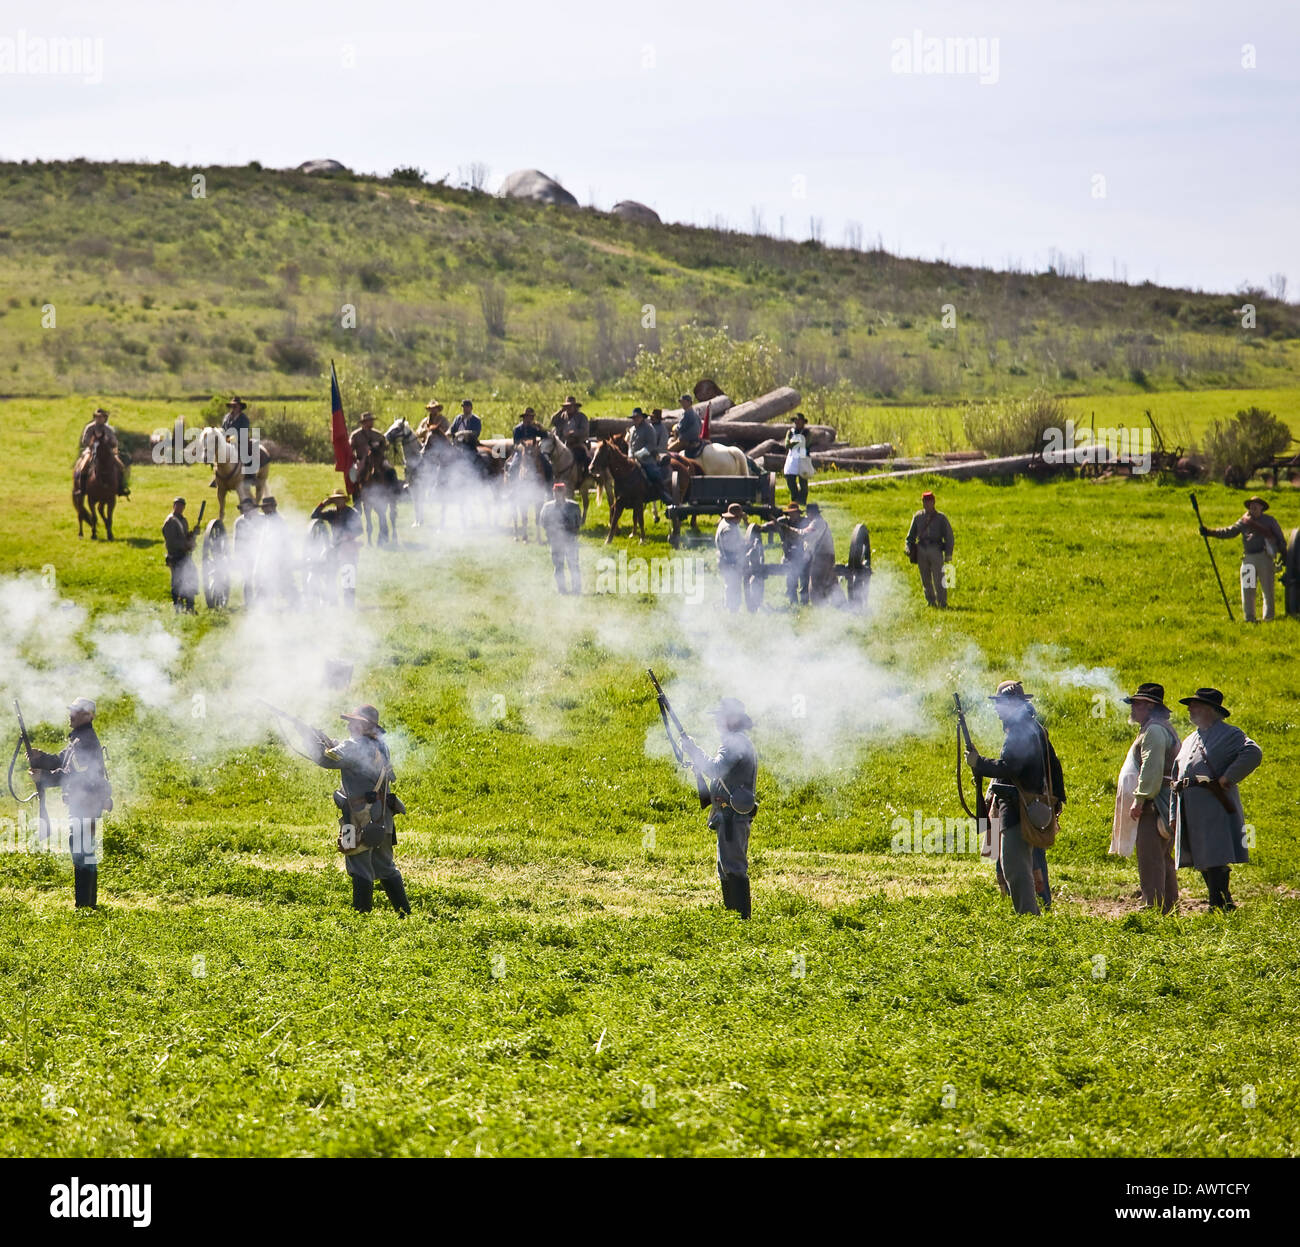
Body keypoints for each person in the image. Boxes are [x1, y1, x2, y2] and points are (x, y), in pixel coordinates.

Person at [967, 681, 1065, 916]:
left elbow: (1011, 767)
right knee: (1021, 865)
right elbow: (1053, 766)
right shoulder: (1032, 727)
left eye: (1000, 704)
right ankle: (1032, 912)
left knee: (1015, 867)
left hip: (1018, 809)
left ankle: (1028, 918)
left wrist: (979, 764)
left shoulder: (1020, 730)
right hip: (1028, 806)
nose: (997, 709)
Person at [311, 704, 410, 916]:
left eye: (353, 722)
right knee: (385, 866)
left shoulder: (354, 745)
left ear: (363, 725)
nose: (349, 726)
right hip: (383, 815)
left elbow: (326, 759)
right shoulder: (380, 745)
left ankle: (361, 921)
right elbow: (348, 756)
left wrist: (312, 742)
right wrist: (332, 744)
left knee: (359, 866)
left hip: (358, 816)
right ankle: (405, 915)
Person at [1171, 688, 1261, 911]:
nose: (1190, 709)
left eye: (1196, 705)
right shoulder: (1190, 738)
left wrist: (1227, 778)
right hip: (1189, 805)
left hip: (1214, 804)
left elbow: (1253, 752)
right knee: (1202, 857)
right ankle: (1224, 902)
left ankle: (1217, 905)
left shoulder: (1230, 734)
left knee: (1215, 854)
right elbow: (1175, 779)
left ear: (1211, 710)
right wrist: (1173, 814)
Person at [27, 697, 112, 910]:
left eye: (75, 711)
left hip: (86, 804)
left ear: (88, 716)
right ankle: (87, 905)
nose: (70, 715)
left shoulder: (84, 742)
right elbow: (60, 761)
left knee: (82, 853)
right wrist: (40, 757)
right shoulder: (78, 740)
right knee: (84, 852)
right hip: (83, 804)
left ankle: (84, 907)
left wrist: (44, 778)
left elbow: (73, 776)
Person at [684, 698, 759, 919]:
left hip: (732, 816)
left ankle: (741, 919)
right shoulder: (737, 742)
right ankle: (732, 918)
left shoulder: (735, 743)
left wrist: (693, 749)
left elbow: (716, 770)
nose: (717, 722)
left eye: (721, 717)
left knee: (733, 867)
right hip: (727, 815)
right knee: (726, 868)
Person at [1110, 682, 1181, 912]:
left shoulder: (1154, 731)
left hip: (1154, 805)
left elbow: (1151, 768)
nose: (1134, 708)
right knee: (1161, 857)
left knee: (1150, 857)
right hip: (1161, 803)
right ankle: (1168, 905)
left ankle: (1153, 906)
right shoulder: (1158, 728)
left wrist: (1140, 799)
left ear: (1150, 707)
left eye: (1138, 704)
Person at [1201, 496, 1288, 622]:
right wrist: (1210, 532)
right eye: (1251, 505)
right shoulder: (1243, 521)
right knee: (1248, 589)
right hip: (1248, 557)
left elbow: (1280, 538)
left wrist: (1284, 554)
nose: (1253, 506)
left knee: (1268, 590)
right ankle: (1249, 618)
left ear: (1262, 507)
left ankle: (1268, 618)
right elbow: (1229, 532)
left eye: (1256, 504)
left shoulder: (1270, 521)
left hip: (1265, 557)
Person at [311, 492, 364, 608]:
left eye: (339, 499)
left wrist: (348, 536)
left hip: (348, 548)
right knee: (330, 576)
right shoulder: (332, 513)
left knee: (348, 577)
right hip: (335, 548)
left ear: (344, 500)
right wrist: (324, 503)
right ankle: (333, 602)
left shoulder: (352, 513)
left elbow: (360, 530)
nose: (337, 501)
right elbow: (314, 515)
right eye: (335, 500)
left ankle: (349, 605)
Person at [905, 491, 954, 608]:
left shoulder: (941, 518)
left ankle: (942, 603)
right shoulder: (918, 517)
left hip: (935, 549)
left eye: (929, 502)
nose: (927, 504)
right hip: (921, 550)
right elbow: (910, 537)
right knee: (925, 578)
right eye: (924, 501)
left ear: (934, 502)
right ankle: (931, 602)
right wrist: (908, 548)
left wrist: (948, 554)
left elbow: (949, 536)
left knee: (939, 578)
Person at [538, 483, 583, 594]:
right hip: (556, 541)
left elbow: (578, 523)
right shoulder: (547, 507)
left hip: (570, 540)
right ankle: (562, 589)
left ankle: (576, 589)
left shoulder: (574, 506)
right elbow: (543, 522)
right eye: (555, 492)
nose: (557, 494)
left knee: (573, 565)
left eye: (559, 492)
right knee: (558, 565)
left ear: (564, 492)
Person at [76, 407, 130, 496]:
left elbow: (114, 441)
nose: (99, 419)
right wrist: (91, 444)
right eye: (97, 417)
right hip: (91, 451)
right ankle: (82, 489)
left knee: (120, 466)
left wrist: (109, 444)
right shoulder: (89, 428)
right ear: (95, 417)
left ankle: (120, 488)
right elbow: (84, 440)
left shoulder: (108, 429)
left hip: (107, 452)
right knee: (83, 467)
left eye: (101, 417)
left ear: (105, 418)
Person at [762, 503, 808, 606]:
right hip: (788, 556)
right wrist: (760, 527)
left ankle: (804, 602)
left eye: (794, 513)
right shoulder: (782, 521)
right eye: (790, 513)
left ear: (798, 513)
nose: (792, 515)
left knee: (804, 579)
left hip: (803, 555)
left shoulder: (805, 522)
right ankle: (793, 601)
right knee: (791, 579)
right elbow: (769, 526)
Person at [255, 496, 296, 608]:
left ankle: (295, 605)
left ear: (273, 507)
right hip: (269, 559)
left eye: (266, 507)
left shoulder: (279, 521)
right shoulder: (267, 521)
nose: (263, 510)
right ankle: (264, 606)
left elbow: (282, 543)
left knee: (285, 584)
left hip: (280, 559)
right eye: (263, 507)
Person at [627, 407, 673, 503]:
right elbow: (630, 445)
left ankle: (663, 493)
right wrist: (631, 455)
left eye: (637, 417)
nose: (636, 419)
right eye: (634, 418)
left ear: (642, 418)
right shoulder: (632, 430)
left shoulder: (649, 429)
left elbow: (651, 445)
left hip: (647, 459)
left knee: (654, 474)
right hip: (633, 459)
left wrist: (639, 454)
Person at [162, 497, 198, 613]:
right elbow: (172, 541)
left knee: (190, 578)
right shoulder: (170, 521)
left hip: (184, 555)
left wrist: (193, 534)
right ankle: (178, 606)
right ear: (174, 506)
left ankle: (190, 606)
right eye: (177, 505)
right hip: (175, 555)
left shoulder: (183, 520)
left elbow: (184, 536)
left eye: (181, 505)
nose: (179, 507)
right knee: (177, 582)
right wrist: (186, 545)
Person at [798, 502, 839, 605]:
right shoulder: (818, 522)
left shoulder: (817, 522)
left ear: (810, 513)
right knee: (831, 582)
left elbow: (806, 534)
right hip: (824, 556)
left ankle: (820, 607)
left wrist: (791, 531)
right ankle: (840, 605)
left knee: (816, 585)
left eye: (807, 513)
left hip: (823, 557)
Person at [715, 503, 748, 612]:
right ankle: (732, 609)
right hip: (729, 561)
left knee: (730, 584)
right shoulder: (728, 530)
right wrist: (745, 545)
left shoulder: (728, 523)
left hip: (727, 559)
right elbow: (732, 548)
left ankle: (731, 607)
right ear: (736, 517)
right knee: (732, 585)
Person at [231, 496, 262, 607]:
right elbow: (236, 540)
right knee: (247, 579)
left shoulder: (262, 519)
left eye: (249, 508)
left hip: (260, 553)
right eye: (244, 509)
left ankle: (260, 602)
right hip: (246, 554)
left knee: (260, 578)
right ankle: (248, 602)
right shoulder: (239, 522)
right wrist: (237, 556)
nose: (247, 511)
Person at [783, 413, 813, 505]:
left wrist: (795, 442)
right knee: (790, 480)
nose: (797, 422)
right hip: (792, 459)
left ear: (803, 422)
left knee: (803, 482)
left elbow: (806, 444)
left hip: (803, 458)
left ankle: (802, 501)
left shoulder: (807, 432)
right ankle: (794, 500)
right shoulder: (790, 432)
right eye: (796, 421)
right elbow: (787, 445)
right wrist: (799, 441)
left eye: (799, 420)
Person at [349, 412, 388, 484]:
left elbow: (385, 447)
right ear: (364, 422)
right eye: (370, 420)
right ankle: (357, 491)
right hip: (362, 460)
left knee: (390, 471)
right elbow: (350, 450)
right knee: (354, 476)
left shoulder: (378, 435)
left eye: (372, 420)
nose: (372, 422)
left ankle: (394, 490)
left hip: (378, 460)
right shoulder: (356, 435)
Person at [675, 394, 704, 458]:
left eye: (683, 402)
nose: (682, 404)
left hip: (686, 440)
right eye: (681, 402)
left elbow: (681, 428)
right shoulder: (695, 414)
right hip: (696, 439)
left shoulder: (687, 413)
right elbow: (700, 425)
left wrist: (676, 428)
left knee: (669, 450)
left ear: (689, 402)